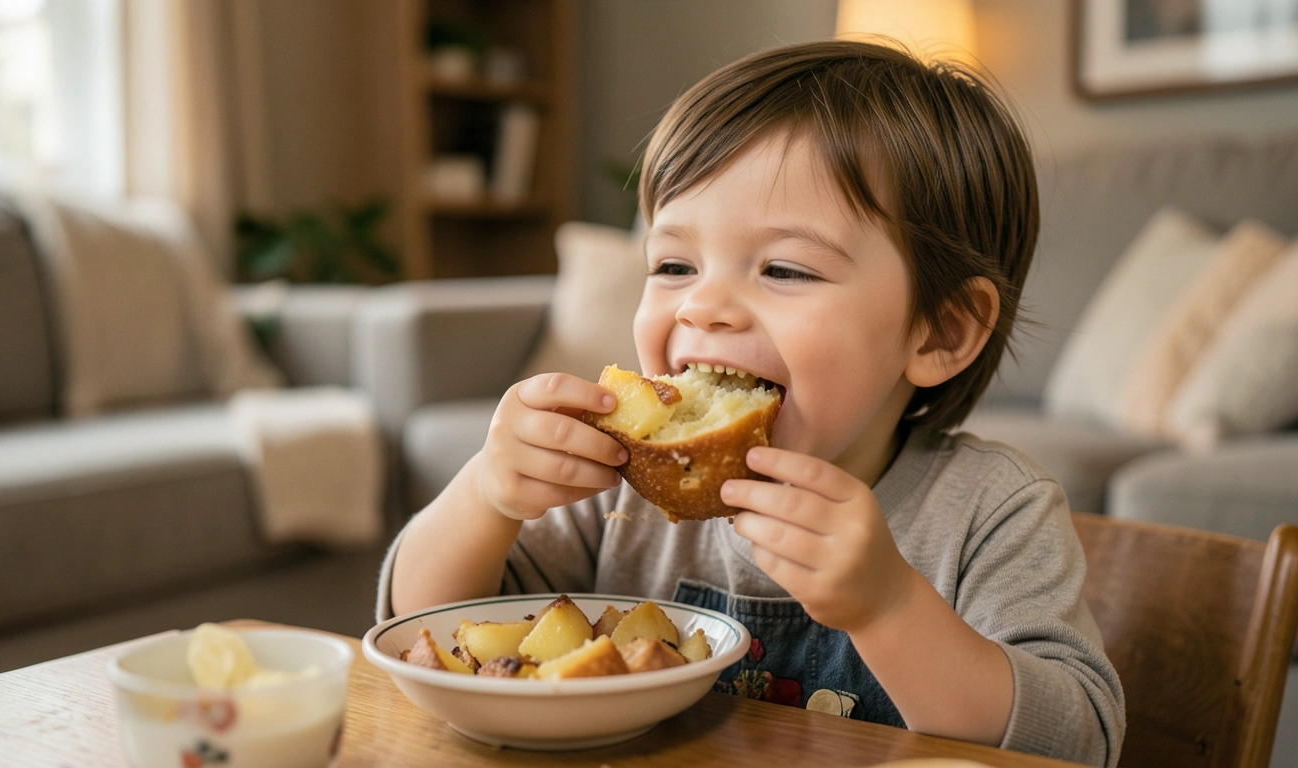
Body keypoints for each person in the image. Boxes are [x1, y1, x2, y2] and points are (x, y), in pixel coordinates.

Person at [378, 40, 1125, 766]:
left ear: (942, 331)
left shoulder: (991, 512)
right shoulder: (611, 494)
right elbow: (426, 630)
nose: (704, 306)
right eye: (673, 264)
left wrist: (889, 608)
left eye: (784, 269)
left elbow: (1076, 741)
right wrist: (486, 493)